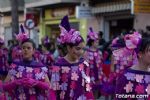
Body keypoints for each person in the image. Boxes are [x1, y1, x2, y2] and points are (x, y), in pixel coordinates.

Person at [50, 15, 94, 100]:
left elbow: (87, 87)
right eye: (78, 48)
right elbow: (53, 90)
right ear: (69, 48)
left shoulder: (84, 64)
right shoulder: (58, 66)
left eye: (82, 49)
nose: (81, 52)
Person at [84, 27, 103, 98]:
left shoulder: (100, 52)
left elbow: (101, 64)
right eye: (96, 42)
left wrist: (101, 74)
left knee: (97, 91)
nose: (98, 43)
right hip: (90, 75)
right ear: (92, 42)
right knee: (90, 92)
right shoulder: (87, 53)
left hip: (98, 74)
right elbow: (85, 65)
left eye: (98, 41)